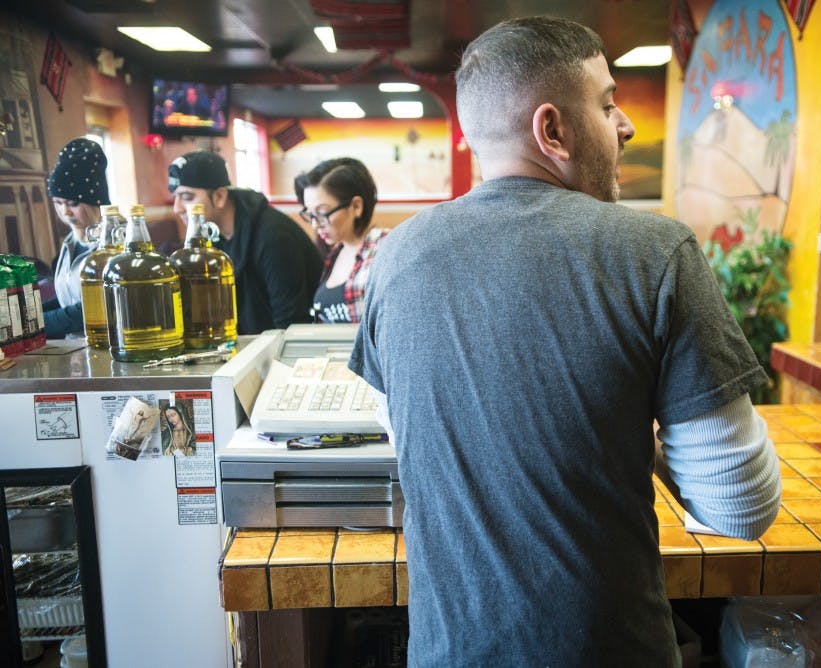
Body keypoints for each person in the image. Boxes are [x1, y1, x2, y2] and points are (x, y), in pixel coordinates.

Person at [349, 16, 782, 667]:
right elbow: (739, 508)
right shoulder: (653, 252)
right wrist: (637, 424)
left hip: (448, 650)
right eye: (608, 104)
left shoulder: (395, 256)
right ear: (552, 130)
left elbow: (406, 427)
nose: (626, 124)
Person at [168, 150, 323, 333]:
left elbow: (290, 324)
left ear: (219, 196)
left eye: (187, 197)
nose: (177, 208)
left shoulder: (273, 237)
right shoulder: (213, 237)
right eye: (175, 197)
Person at [293, 158, 389, 323]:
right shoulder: (336, 250)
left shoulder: (386, 248)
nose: (315, 225)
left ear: (356, 206)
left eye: (322, 213)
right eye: (310, 214)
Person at [43, 137, 110, 338]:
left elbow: (91, 309)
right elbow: (68, 300)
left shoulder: (113, 242)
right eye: (58, 202)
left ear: (95, 201)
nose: (65, 212)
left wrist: (36, 325)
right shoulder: (71, 243)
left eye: (72, 203)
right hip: (77, 351)